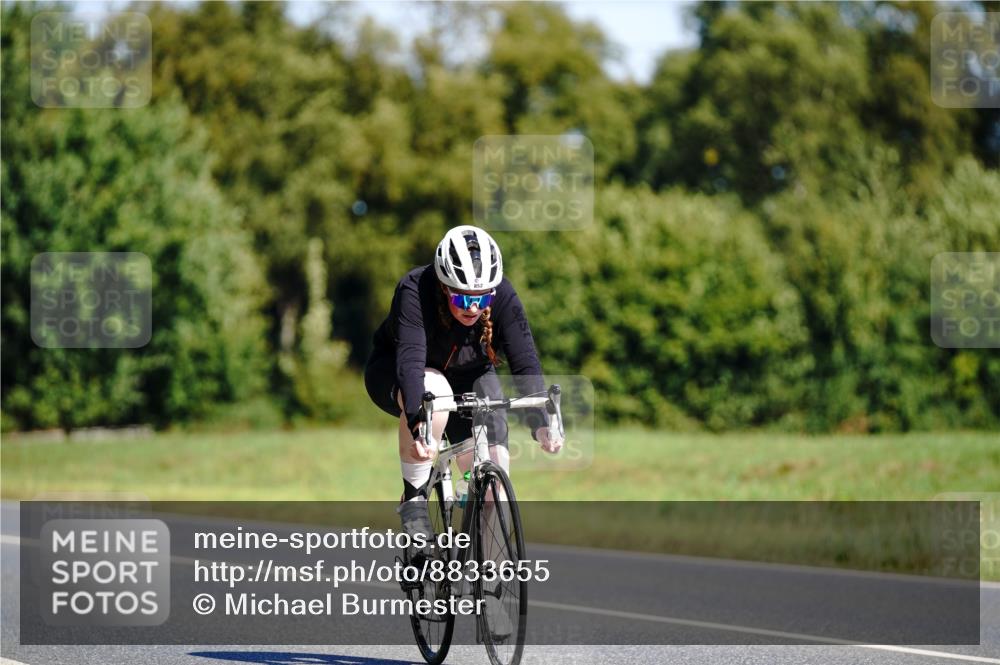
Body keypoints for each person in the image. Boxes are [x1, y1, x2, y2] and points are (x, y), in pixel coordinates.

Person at [365, 225, 563, 534]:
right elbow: (411, 361)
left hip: (470, 377)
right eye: (462, 299)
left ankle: (486, 570)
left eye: (481, 300)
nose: (472, 308)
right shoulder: (414, 290)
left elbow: (525, 363)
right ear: (445, 287)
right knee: (435, 391)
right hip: (401, 371)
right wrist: (419, 427)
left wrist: (541, 423)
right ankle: (415, 501)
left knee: (494, 476)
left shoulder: (504, 296)